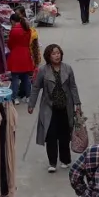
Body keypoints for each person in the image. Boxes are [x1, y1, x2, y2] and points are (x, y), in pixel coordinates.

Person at [29, 44, 83, 172]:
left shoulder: (68, 69)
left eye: (58, 53)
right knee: (51, 135)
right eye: (53, 54)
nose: (56, 56)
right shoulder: (43, 70)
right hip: (49, 108)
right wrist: (31, 104)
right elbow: (36, 88)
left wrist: (78, 104)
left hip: (65, 107)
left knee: (65, 135)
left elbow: (73, 87)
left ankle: (65, 160)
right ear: (48, 56)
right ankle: (52, 162)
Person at [6, 12, 35, 104]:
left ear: (13, 21)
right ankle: (28, 96)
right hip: (26, 55)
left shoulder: (13, 30)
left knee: (15, 78)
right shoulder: (27, 29)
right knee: (26, 78)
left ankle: (15, 98)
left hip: (15, 55)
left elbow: (10, 44)